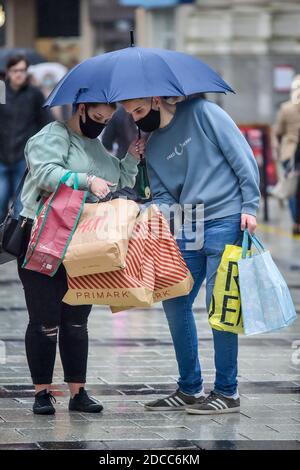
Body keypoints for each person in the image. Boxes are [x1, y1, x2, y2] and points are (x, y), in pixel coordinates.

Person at [121, 95, 260, 415]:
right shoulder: (152, 145)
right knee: (174, 298)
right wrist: (146, 213)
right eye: (131, 115)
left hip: (226, 218)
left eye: (140, 111)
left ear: (156, 100)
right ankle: (189, 387)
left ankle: (227, 391)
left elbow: (242, 158)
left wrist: (250, 206)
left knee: (220, 304)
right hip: (189, 223)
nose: (137, 120)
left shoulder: (204, 112)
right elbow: (166, 196)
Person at [17, 101, 143, 415]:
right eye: (97, 117)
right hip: (42, 236)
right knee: (45, 320)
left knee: (76, 321)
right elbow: (46, 174)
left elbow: (118, 177)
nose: (101, 123)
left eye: (108, 119)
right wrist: (85, 181)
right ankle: (42, 392)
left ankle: (78, 392)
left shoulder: (96, 147)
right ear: (82, 108)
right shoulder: (52, 135)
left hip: (82, 242)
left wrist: (131, 157)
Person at [0, 54, 52, 223]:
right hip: (1, 155)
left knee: (20, 202)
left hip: (24, 156)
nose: (19, 74)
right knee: (1, 198)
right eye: (15, 70)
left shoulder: (34, 94)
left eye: (22, 70)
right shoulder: (1, 90)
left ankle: (13, 243)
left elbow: (45, 122)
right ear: (8, 72)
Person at [273, 75, 300, 232]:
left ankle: (296, 221)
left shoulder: (286, 108)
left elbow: (278, 132)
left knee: (291, 186)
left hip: (290, 153)